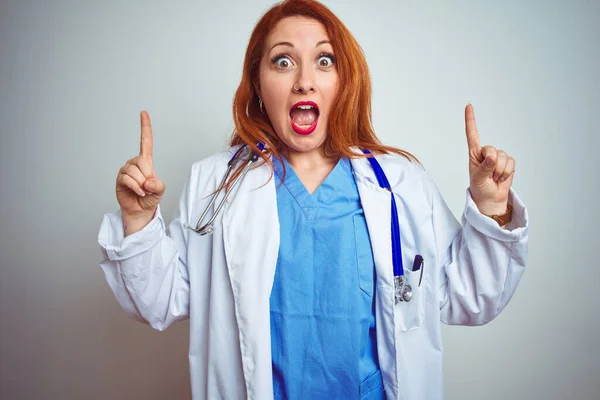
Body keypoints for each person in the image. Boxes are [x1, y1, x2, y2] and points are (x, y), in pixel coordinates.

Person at [97, 0, 529, 399]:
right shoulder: (215, 182)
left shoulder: (399, 184)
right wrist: (137, 219)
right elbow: (160, 300)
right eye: (283, 61)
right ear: (258, 85)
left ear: (343, 81)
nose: (305, 81)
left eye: (324, 61)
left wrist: (492, 207)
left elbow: (468, 297)